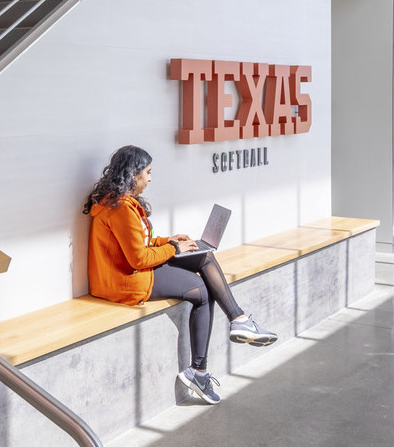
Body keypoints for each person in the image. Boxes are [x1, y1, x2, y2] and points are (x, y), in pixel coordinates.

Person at [83, 145, 278, 405]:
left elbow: (140, 242)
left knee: (205, 256)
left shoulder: (118, 202)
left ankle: (237, 321)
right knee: (200, 289)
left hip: (130, 272)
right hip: (125, 281)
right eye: (148, 173)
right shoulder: (120, 208)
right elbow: (138, 258)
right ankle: (202, 369)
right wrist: (173, 248)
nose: (150, 178)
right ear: (133, 175)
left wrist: (170, 240)